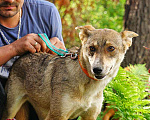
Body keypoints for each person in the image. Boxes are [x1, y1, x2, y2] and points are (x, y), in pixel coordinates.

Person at [0, 0, 67, 119]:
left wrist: (58, 52)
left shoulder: (47, 12)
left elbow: (60, 69)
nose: (10, 0)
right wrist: (14, 48)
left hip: (34, 85)